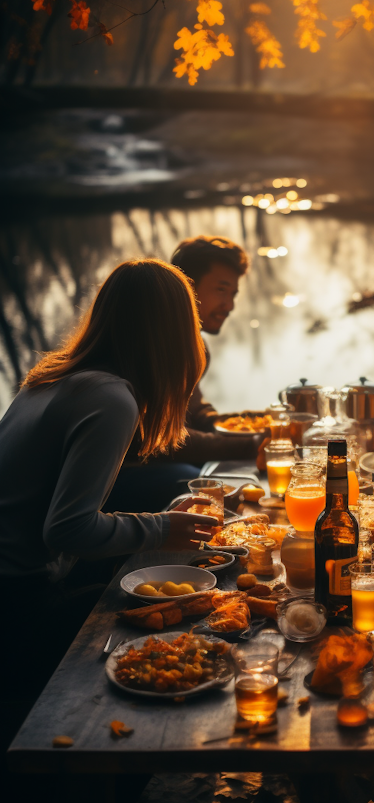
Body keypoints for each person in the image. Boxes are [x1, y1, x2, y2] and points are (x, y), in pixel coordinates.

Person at [0, 259, 221, 681]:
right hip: (16, 605)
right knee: (177, 614)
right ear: (174, 335)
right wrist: (160, 529)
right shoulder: (109, 398)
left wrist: (161, 521)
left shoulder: (53, 378)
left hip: (20, 583)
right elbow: (64, 530)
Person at [107, 235, 260, 513]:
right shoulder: (153, 343)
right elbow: (160, 438)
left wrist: (254, 424)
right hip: (108, 476)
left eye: (233, 294)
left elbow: (194, 412)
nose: (230, 305)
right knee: (198, 480)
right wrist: (248, 444)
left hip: (146, 460)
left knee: (220, 476)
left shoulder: (195, 345)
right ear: (185, 286)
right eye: (221, 290)